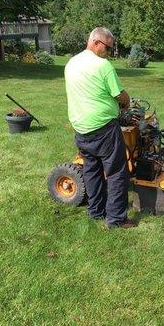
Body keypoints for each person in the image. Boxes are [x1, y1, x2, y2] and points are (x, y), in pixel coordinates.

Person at [64, 27, 135, 228]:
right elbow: (119, 95)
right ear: (96, 42)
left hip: (81, 128)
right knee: (116, 173)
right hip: (103, 129)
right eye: (108, 48)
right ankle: (116, 219)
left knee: (92, 170)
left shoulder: (71, 63)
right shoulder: (103, 66)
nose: (109, 53)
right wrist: (126, 101)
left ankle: (95, 211)